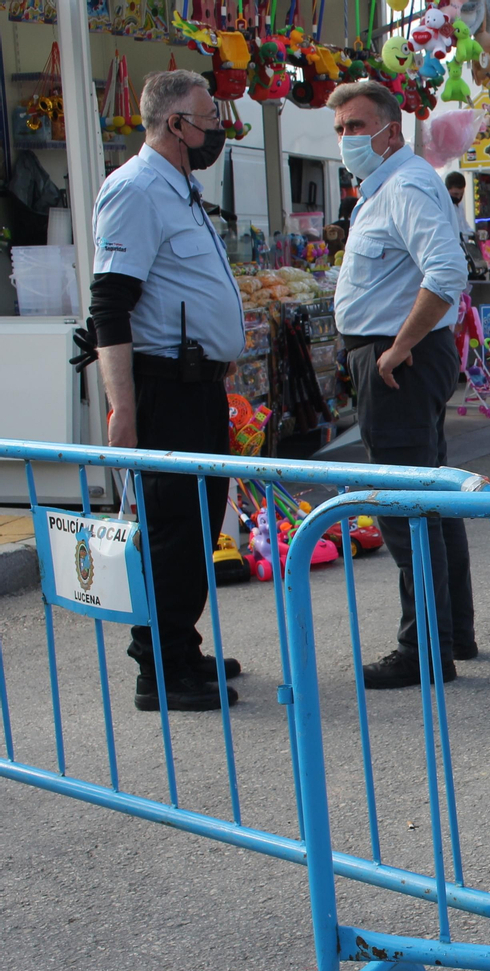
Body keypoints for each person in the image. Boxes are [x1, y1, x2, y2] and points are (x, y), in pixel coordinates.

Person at [88, 69, 242, 712]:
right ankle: (159, 668)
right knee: (172, 528)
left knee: (198, 524)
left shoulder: (181, 188)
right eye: (210, 118)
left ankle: (178, 643)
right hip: (162, 389)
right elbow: (111, 304)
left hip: (197, 388)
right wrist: (122, 408)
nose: (219, 130)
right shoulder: (135, 189)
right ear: (176, 123)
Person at [329, 80, 475, 689]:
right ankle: (450, 632)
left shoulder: (407, 184)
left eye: (357, 127)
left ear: (392, 129)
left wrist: (398, 347)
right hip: (399, 356)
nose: (347, 140)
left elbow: (447, 272)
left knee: (405, 505)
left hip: (401, 362)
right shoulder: (386, 187)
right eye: (339, 130)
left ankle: (426, 648)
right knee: (432, 498)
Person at [444, 170, 473, 238]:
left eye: (461, 193)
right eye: (455, 194)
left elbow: (464, 224)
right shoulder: (444, 206)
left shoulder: (459, 204)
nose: (459, 197)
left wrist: (473, 233)